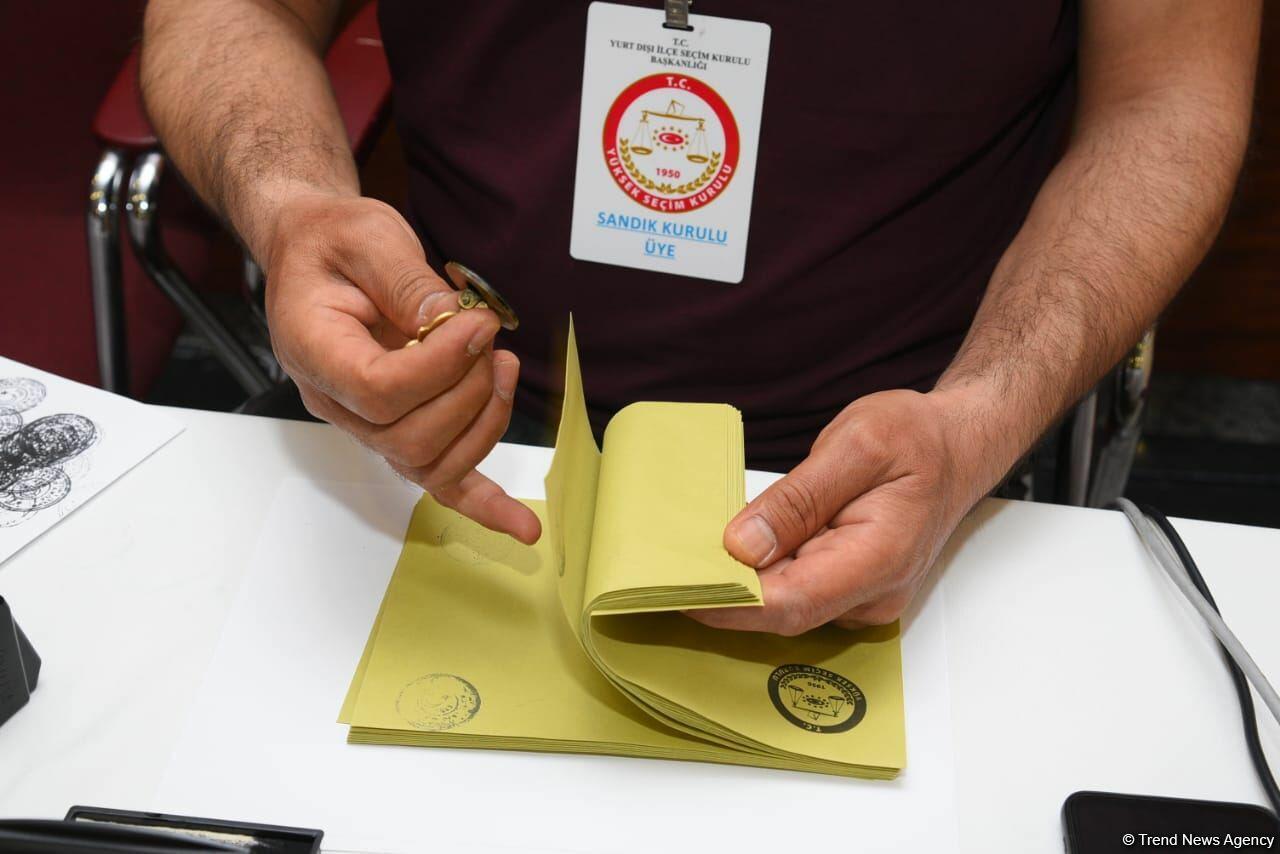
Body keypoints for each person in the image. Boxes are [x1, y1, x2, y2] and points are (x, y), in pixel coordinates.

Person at [140, 1, 1260, 635]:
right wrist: (292, 203)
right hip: (447, 422)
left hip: (910, 448)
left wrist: (980, 414)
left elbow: (1165, 93)